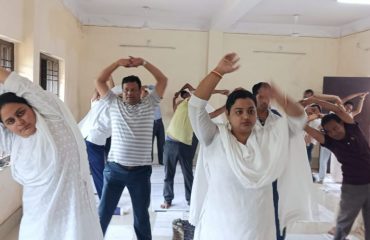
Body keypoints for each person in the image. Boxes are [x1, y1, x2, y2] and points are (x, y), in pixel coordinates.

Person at [188, 53, 312, 240]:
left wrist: (277, 95)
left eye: (250, 111)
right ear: (227, 114)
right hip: (219, 226)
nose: (246, 116)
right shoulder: (213, 136)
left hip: (258, 227)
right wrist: (218, 72)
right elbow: (196, 106)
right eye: (239, 112)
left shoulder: (268, 136)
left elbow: (299, 119)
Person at [0, 67, 103, 240]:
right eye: (11, 121)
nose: (20, 122)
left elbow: (22, 86)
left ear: (32, 107)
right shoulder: (13, 142)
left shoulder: (53, 120)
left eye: (21, 112)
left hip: (73, 219)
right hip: (37, 221)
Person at [96, 56, 167, 240]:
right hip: (114, 171)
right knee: (103, 214)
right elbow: (99, 81)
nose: (129, 93)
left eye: (133, 90)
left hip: (140, 173)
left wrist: (144, 62)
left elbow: (163, 80)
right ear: (122, 91)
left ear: (140, 90)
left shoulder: (150, 104)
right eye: (126, 90)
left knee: (142, 216)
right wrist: (116, 63)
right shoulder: (114, 103)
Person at [303, 97, 370, 240]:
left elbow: (337, 109)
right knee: (344, 223)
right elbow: (307, 129)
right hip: (352, 186)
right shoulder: (330, 142)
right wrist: (301, 115)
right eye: (329, 131)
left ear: (342, 123)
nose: (334, 132)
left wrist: (314, 100)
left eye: (336, 128)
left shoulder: (353, 128)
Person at [160, 84, 227, 209]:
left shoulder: (196, 108)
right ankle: (167, 199)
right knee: (168, 174)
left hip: (185, 144)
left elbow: (211, 110)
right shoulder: (181, 104)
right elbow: (196, 91)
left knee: (188, 174)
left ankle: (191, 200)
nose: (190, 95)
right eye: (187, 94)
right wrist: (175, 97)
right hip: (170, 142)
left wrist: (224, 102)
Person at [143, 84, 165, 165]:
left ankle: (162, 161)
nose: (146, 93)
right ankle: (149, 161)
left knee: (161, 141)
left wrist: (146, 86)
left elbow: (154, 88)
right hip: (150, 123)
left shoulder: (154, 98)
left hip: (159, 121)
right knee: (150, 143)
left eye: (146, 92)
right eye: (144, 93)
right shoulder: (142, 102)